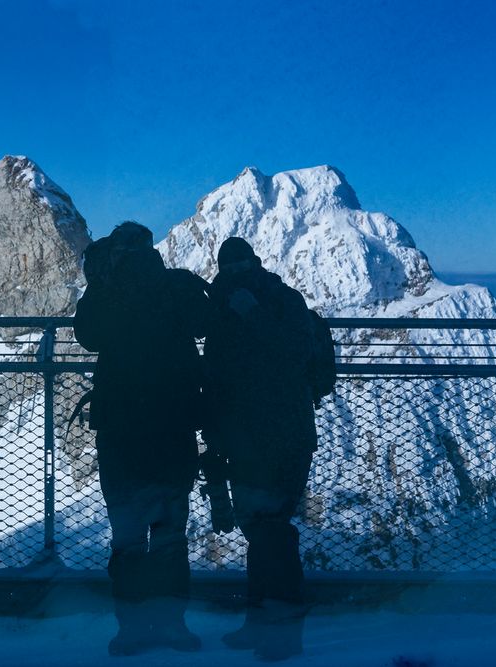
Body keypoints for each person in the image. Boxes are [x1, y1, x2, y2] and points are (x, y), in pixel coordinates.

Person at [73, 221, 214, 656]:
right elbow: (205, 322)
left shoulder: (107, 289)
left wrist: (101, 285)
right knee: (170, 533)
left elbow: (87, 336)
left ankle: (131, 630)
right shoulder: (173, 285)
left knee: (128, 536)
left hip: (121, 432)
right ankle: (172, 625)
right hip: (172, 427)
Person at [202, 237, 318, 661]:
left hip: (277, 434)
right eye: (228, 264)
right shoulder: (224, 306)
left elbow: (294, 353)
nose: (234, 270)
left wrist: (252, 315)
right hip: (252, 436)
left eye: (239, 262)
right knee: (261, 526)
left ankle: (281, 626)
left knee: (270, 526)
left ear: (254, 261)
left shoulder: (278, 300)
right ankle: (264, 621)